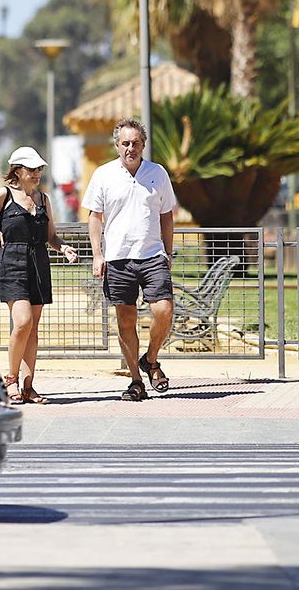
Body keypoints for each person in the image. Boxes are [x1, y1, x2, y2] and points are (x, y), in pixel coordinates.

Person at [0, 146, 78, 403]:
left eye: (39, 169)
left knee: (32, 329)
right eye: (31, 169)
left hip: (38, 264)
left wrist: (64, 248)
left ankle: (28, 386)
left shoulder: (43, 199)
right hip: (12, 263)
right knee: (23, 322)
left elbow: (51, 236)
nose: (36, 173)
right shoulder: (4, 194)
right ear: (17, 170)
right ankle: (11, 379)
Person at [82, 117, 178, 401]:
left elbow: (167, 216)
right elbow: (95, 217)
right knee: (126, 321)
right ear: (117, 145)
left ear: (143, 144)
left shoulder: (157, 173)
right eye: (125, 143)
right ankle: (136, 381)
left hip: (152, 255)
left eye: (135, 143)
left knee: (164, 311)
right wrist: (97, 255)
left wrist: (168, 252)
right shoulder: (103, 174)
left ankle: (151, 359)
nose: (130, 148)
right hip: (118, 259)